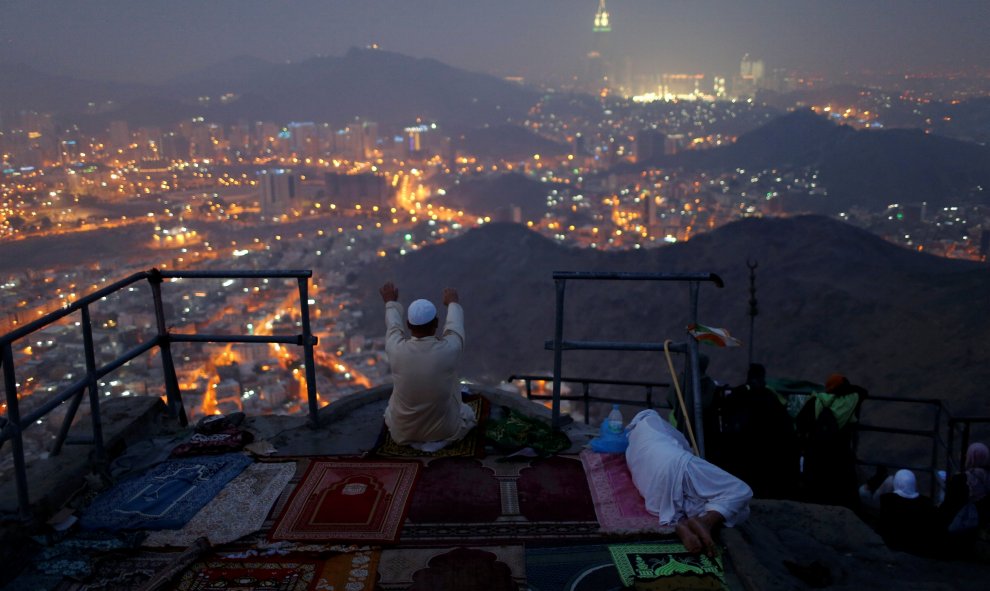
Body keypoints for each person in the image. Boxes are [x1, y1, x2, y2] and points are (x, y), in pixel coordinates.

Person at [625, 409, 753, 556]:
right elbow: (683, 444)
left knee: (733, 509)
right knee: (740, 492)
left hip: (657, 497)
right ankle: (706, 522)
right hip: (675, 463)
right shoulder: (653, 421)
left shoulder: (632, 444)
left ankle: (688, 525)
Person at [380, 281, 475, 451]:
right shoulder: (450, 349)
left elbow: (393, 326)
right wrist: (452, 303)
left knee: (390, 411)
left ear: (408, 325)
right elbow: (455, 327)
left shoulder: (396, 350)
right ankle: (436, 442)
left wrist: (390, 303)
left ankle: (418, 441)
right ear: (437, 323)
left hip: (402, 433)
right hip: (445, 431)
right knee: (467, 414)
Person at [939, 442, 990, 554]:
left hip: (963, 530)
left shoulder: (963, 479)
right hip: (983, 528)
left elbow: (948, 507)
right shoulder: (987, 478)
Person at [877, 469, 939, 556]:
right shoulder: (925, 503)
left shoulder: (888, 501)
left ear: (896, 483)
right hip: (918, 547)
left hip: (894, 545)